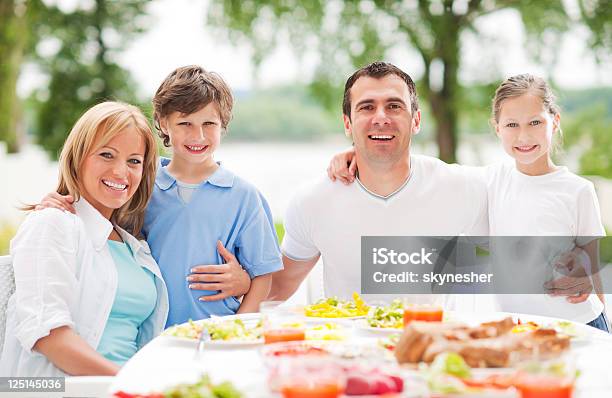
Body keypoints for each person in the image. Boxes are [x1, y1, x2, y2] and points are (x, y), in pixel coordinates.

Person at [38, 66, 281, 327]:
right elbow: (95, 217)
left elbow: (263, 278)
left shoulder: (244, 197)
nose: (197, 135)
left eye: (209, 123)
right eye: (185, 123)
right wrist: (58, 201)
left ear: (223, 125)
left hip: (216, 333)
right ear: (163, 123)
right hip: (148, 334)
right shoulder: (137, 183)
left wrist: (236, 328)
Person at [268, 61, 489, 303]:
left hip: (432, 337)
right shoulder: (312, 200)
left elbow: (520, 261)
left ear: (416, 120)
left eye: (394, 106)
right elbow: (278, 286)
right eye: (367, 107)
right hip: (348, 340)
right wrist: (239, 285)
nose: (381, 117)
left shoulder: (461, 186)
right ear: (347, 123)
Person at [0, 102, 169, 377]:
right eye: (106, 154)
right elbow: (48, 334)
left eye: (134, 161)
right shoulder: (52, 223)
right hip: (74, 389)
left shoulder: (133, 244)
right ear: (78, 158)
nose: (120, 172)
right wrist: (132, 385)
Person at [486, 74, 607, 331]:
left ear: (554, 122)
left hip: (580, 324)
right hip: (520, 329)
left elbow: (592, 269)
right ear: (497, 128)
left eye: (535, 122)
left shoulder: (579, 191)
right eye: (511, 125)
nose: (524, 136)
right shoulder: (490, 182)